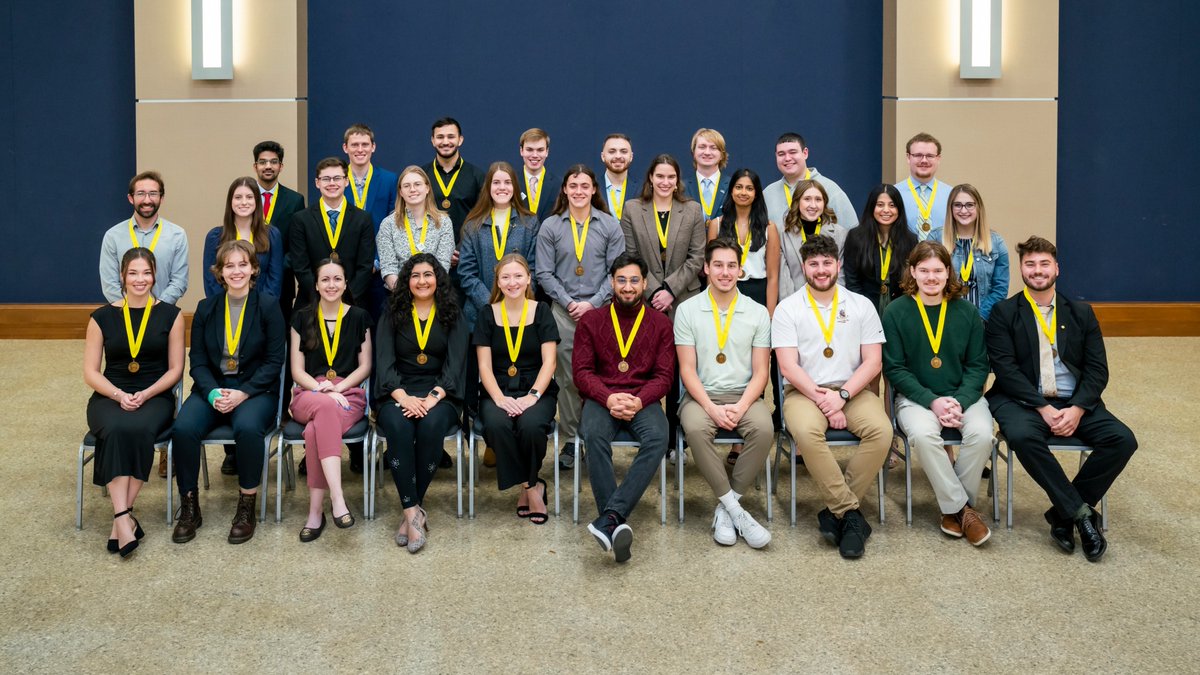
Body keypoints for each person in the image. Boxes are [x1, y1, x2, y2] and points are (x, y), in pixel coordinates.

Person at [985, 236, 1137, 562]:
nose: (1037, 271)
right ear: (1021, 270)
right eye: (1030, 264)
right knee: (1023, 436)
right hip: (1022, 400)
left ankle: (1063, 513)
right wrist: (1041, 407)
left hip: (1074, 400)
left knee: (1122, 440)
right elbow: (1005, 369)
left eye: (1043, 264)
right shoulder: (1004, 312)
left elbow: (1098, 370)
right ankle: (1082, 515)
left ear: (1056, 268)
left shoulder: (1081, 313)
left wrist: (1078, 409)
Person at [773, 235, 891, 558]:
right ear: (803, 267)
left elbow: (873, 362)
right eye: (814, 264)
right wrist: (824, 399)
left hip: (851, 390)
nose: (821, 270)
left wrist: (841, 395)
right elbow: (787, 366)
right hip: (803, 392)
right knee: (809, 434)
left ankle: (838, 511)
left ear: (838, 265)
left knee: (882, 431)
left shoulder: (861, 305)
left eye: (827, 263)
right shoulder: (788, 309)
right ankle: (851, 514)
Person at [170, 241, 285, 545]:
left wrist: (243, 393)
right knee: (182, 428)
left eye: (243, 265)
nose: (237, 271)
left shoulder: (269, 306)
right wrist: (211, 394)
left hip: (255, 391)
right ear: (219, 272)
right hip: (213, 388)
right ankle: (190, 505)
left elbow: (275, 362)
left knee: (247, 428)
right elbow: (198, 361)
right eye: (229, 266)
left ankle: (246, 504)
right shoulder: (206, 308)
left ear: (253, 269)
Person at [882, 241, 993, 546]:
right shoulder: (895, 312)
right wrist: (932, 400)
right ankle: (964, 510)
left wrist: (960, 401)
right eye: (924, 270)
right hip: (917, 398)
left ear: (948, 273)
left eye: (938, 271)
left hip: (963, 397)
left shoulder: (967, 312)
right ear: (913, 273)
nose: (931, 277)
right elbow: (895, 369)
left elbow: (977, 366)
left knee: (983, 434)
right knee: (923, 435)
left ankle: (953, 509)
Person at [574, 253, 675, 563]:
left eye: (634, 280)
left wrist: (639, 400)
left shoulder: (660, 323)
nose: (628, 287)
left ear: (644, 283)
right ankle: (615, 522)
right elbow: (581, 372)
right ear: (611, 282)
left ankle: (610, 518)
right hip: (602, 398)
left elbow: (665, 376)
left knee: (659, 436)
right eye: (621, 280)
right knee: (593, 433)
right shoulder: (592, 320)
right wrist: (608, 398)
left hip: (641, 398)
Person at [84, 248, 185, 557]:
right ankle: (123, 517)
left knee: (139, 428)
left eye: (146, 273)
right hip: (109, 394)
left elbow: (176, 369)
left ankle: (121, 517)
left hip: (155, 395)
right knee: (115, 427)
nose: (140, 280)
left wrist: (147, 393)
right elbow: (90, 372)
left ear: (155, 275)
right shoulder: (101, 317)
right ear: (122, 276)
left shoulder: (172, 315)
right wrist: (118, 395)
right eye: (133, 273)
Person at [675, 239, 773, 549]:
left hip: (744, 394)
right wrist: (711, 408)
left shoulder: (757, 313)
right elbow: (687, 370)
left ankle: (726, 509)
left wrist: (742, 405)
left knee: (763, 428)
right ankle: (736, 510)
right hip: (700, 396)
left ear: (741, 271)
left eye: (732, 265)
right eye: (718, 265)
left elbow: (761, 372)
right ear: (705, 269)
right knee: (694, 428)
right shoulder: (687, 310)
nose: (725, 272)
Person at [535, 165, 626, 470]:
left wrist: (594, 302)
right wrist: (568, 301)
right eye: (573, 185)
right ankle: (573, 439)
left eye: (584, 186)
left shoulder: (609, 225)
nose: (578, 191)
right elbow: (544, 273)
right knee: (567, 378)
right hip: (563, 312)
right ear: (564, 189)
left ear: (593, 190)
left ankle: (597, 436)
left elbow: (617, 274)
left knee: (601, 375)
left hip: (602, 312)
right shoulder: (550, 226)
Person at [375, 254, 467, 552]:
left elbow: (456, 366)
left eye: (428, 274)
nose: (422, 281)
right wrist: (403, 397)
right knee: (399, 428)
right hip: (397, 392)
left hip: (440, 394)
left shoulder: (453, 312)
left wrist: (431, 399)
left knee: (430, 427)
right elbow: (384, 362)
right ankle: (414, 512)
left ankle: (410, 513)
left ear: (438, 278)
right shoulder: (392, 311)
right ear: (407, 280)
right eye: (415, 275)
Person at [289, 258, 373, 542]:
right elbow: (296, 370)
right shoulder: (301, 316)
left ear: (346, 283)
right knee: (323, 407)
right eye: (325, 279)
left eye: (337, 279)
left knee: (315, 430)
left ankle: (315, 512)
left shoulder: (360, 316)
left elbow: (365, 366)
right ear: (315, 284)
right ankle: (338, 499)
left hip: (348, 395)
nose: (331, 285)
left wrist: (339, 389)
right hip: (309, 393)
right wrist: (322, 388)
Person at [472, 254, 559, 525]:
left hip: (536, 387)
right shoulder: (487, 314)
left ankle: (527, 486)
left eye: (518, 276)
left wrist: (532, 396)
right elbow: (484, 367)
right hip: (496, 389)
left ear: (529, 279)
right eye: (506, 277)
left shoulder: (542, 310)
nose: (513, 282)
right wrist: (499, 398)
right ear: (497, 281)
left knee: (531, 426)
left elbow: (550, 362)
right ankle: (531, 487)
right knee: (497, 426)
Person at [621, 154, 707, 315]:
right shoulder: (632, 209)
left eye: (671, 177)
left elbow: (697, 257)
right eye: (660, 176)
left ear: (677, 180)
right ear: (651, 178)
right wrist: (654, 292)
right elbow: (631, 255)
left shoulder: (693, 209)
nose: (665, 182)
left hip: (684, 297)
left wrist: (670, 290)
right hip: (645, 297)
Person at [289, 157, 376, 308]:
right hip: (311, 304)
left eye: (337, 178)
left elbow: (365, 267)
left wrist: (345, 299)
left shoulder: (363, 219)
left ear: (346, 181)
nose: (332, 183)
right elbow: (300, 267)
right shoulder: (301, 219)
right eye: (326, 179)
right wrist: (321, 298)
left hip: (352, 305)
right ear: (317, 183)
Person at [100, 171, 189, 305]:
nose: (147, 200)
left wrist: (159, 308)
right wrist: (129, 307)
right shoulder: (113, 236)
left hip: (163, 316)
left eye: (153, 193)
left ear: (162, 198)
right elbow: (109, 283)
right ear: (131, 198)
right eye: (141, 193)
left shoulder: (177, 235)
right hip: (123, 316)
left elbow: (179, 281)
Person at [342, 123, 400, 322]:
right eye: (355, 144)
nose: (360, 150)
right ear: (345, 148)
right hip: (346, 269)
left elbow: (394, 225)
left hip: (378, 268)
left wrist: (375, 261)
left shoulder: (389, 180)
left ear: (373, 147)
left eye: (365, 144)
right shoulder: (336, 181)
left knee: (378, 325)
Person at [929, 183, 1009, 321]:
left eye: (969, 205)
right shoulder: (936, 238)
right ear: (951, 208)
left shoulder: (996, 242)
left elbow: (1000, 289)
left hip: (983, 320)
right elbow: (927, 280)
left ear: (978, 208)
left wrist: (979, 317)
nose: (964, 210)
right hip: (945, 318)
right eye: (958, 205)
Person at [707, 168, 781, 314]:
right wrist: (712, 308)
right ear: (731, 190)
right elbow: (710, 271)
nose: (743, 193)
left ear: (756, 194)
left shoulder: (769, 228)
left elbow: (773, 277)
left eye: (749, 188)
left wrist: (770, 315)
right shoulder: (716, 225)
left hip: (757, 293)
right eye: (738, 187)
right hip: (725, 289)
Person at [843, 184, 919, 316]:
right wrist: (863, 309)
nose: (886, 210)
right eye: (880, 205)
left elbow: (912, 280)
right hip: (864, 309)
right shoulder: (856, 237)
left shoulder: (910, 240)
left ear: (899, 209)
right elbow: (852, 280)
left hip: (900, 310)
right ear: (872, 207)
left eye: (892, 205)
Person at [762, 132, 858, 237]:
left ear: (805, 153)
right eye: (781, 154)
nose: (787, 158)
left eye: (793, 152)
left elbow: (853, 233)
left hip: (824, 252)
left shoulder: (830, 189)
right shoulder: (768, 194)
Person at [202, 177, 283, 300]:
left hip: (262, 308)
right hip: (225, 309)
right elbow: (211, 281)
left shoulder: (271, 235)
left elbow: (275, 279)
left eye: (249, 197)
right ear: (230, 201)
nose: (244, 202)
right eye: (238, 197)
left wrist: (262, 308)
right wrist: (225, 307)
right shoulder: (215, 237)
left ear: (257, 201)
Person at [251, 141, 306, 322]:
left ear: (281, 166)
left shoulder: (294, 200)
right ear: (255, 166)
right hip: (245, 277)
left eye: (273, 162)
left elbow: (297, 245)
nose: (268, 166)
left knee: (279, 334)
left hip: (281, 281)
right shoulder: (244, 198)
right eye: (263, 162)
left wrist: (276, 267)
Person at [377, 166, 455, 284]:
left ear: (427, 188)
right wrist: (405, 293)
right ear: (400, 192)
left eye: (417, 184)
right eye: (407, 186)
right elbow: (388, 268)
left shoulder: (443, 222)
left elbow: (443, 265)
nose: (412, 189)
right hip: (399, 296)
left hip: (435, 294)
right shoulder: (388, 224)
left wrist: (425, 292)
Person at [778, 179, 850, 298]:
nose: (813, 205)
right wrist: (793, 307)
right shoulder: (782, 233)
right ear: (797, 202)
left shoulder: (840, 234)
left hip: (830, 303)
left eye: (818, 199)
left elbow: (840, 277)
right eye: (807, 199)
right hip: (796, 304)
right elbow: (784, 279)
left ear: (824, 203)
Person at [423, 117, 486, 244]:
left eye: (451, 136)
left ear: (460, 140)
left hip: (467, 252)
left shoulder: (477, 176)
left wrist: (462, 249)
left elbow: (483, 218)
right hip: (429, 252)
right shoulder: (421, 175)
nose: (445, 142)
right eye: (440, 137)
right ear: (433, 140)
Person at [895, 132, 952, 240]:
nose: (924, 160)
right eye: (918, 155)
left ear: (938, 159)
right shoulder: (894, 193)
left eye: (930, 156)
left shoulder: (952, 195)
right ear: (908, 157)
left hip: (944, 256)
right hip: (903, 256)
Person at [683, 128, 731, 221]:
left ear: (722, 155)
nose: (707, 152)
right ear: (693, 152)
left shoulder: (733, 185)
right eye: (702, 147)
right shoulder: (681, 187)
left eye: (713, 148)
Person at [517, 128, 557, 224]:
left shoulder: (559, 185)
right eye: (529, 150)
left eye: (540, 150)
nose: (535, 155)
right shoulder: (510, 182)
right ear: (521, 151)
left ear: (547, 152)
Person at [598, 133, 638, 221]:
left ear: (631, 156)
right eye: (612, 151)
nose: (618, 156)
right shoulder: (592, 188)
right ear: (603, 156)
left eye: (623, 151)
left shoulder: (643, 189)